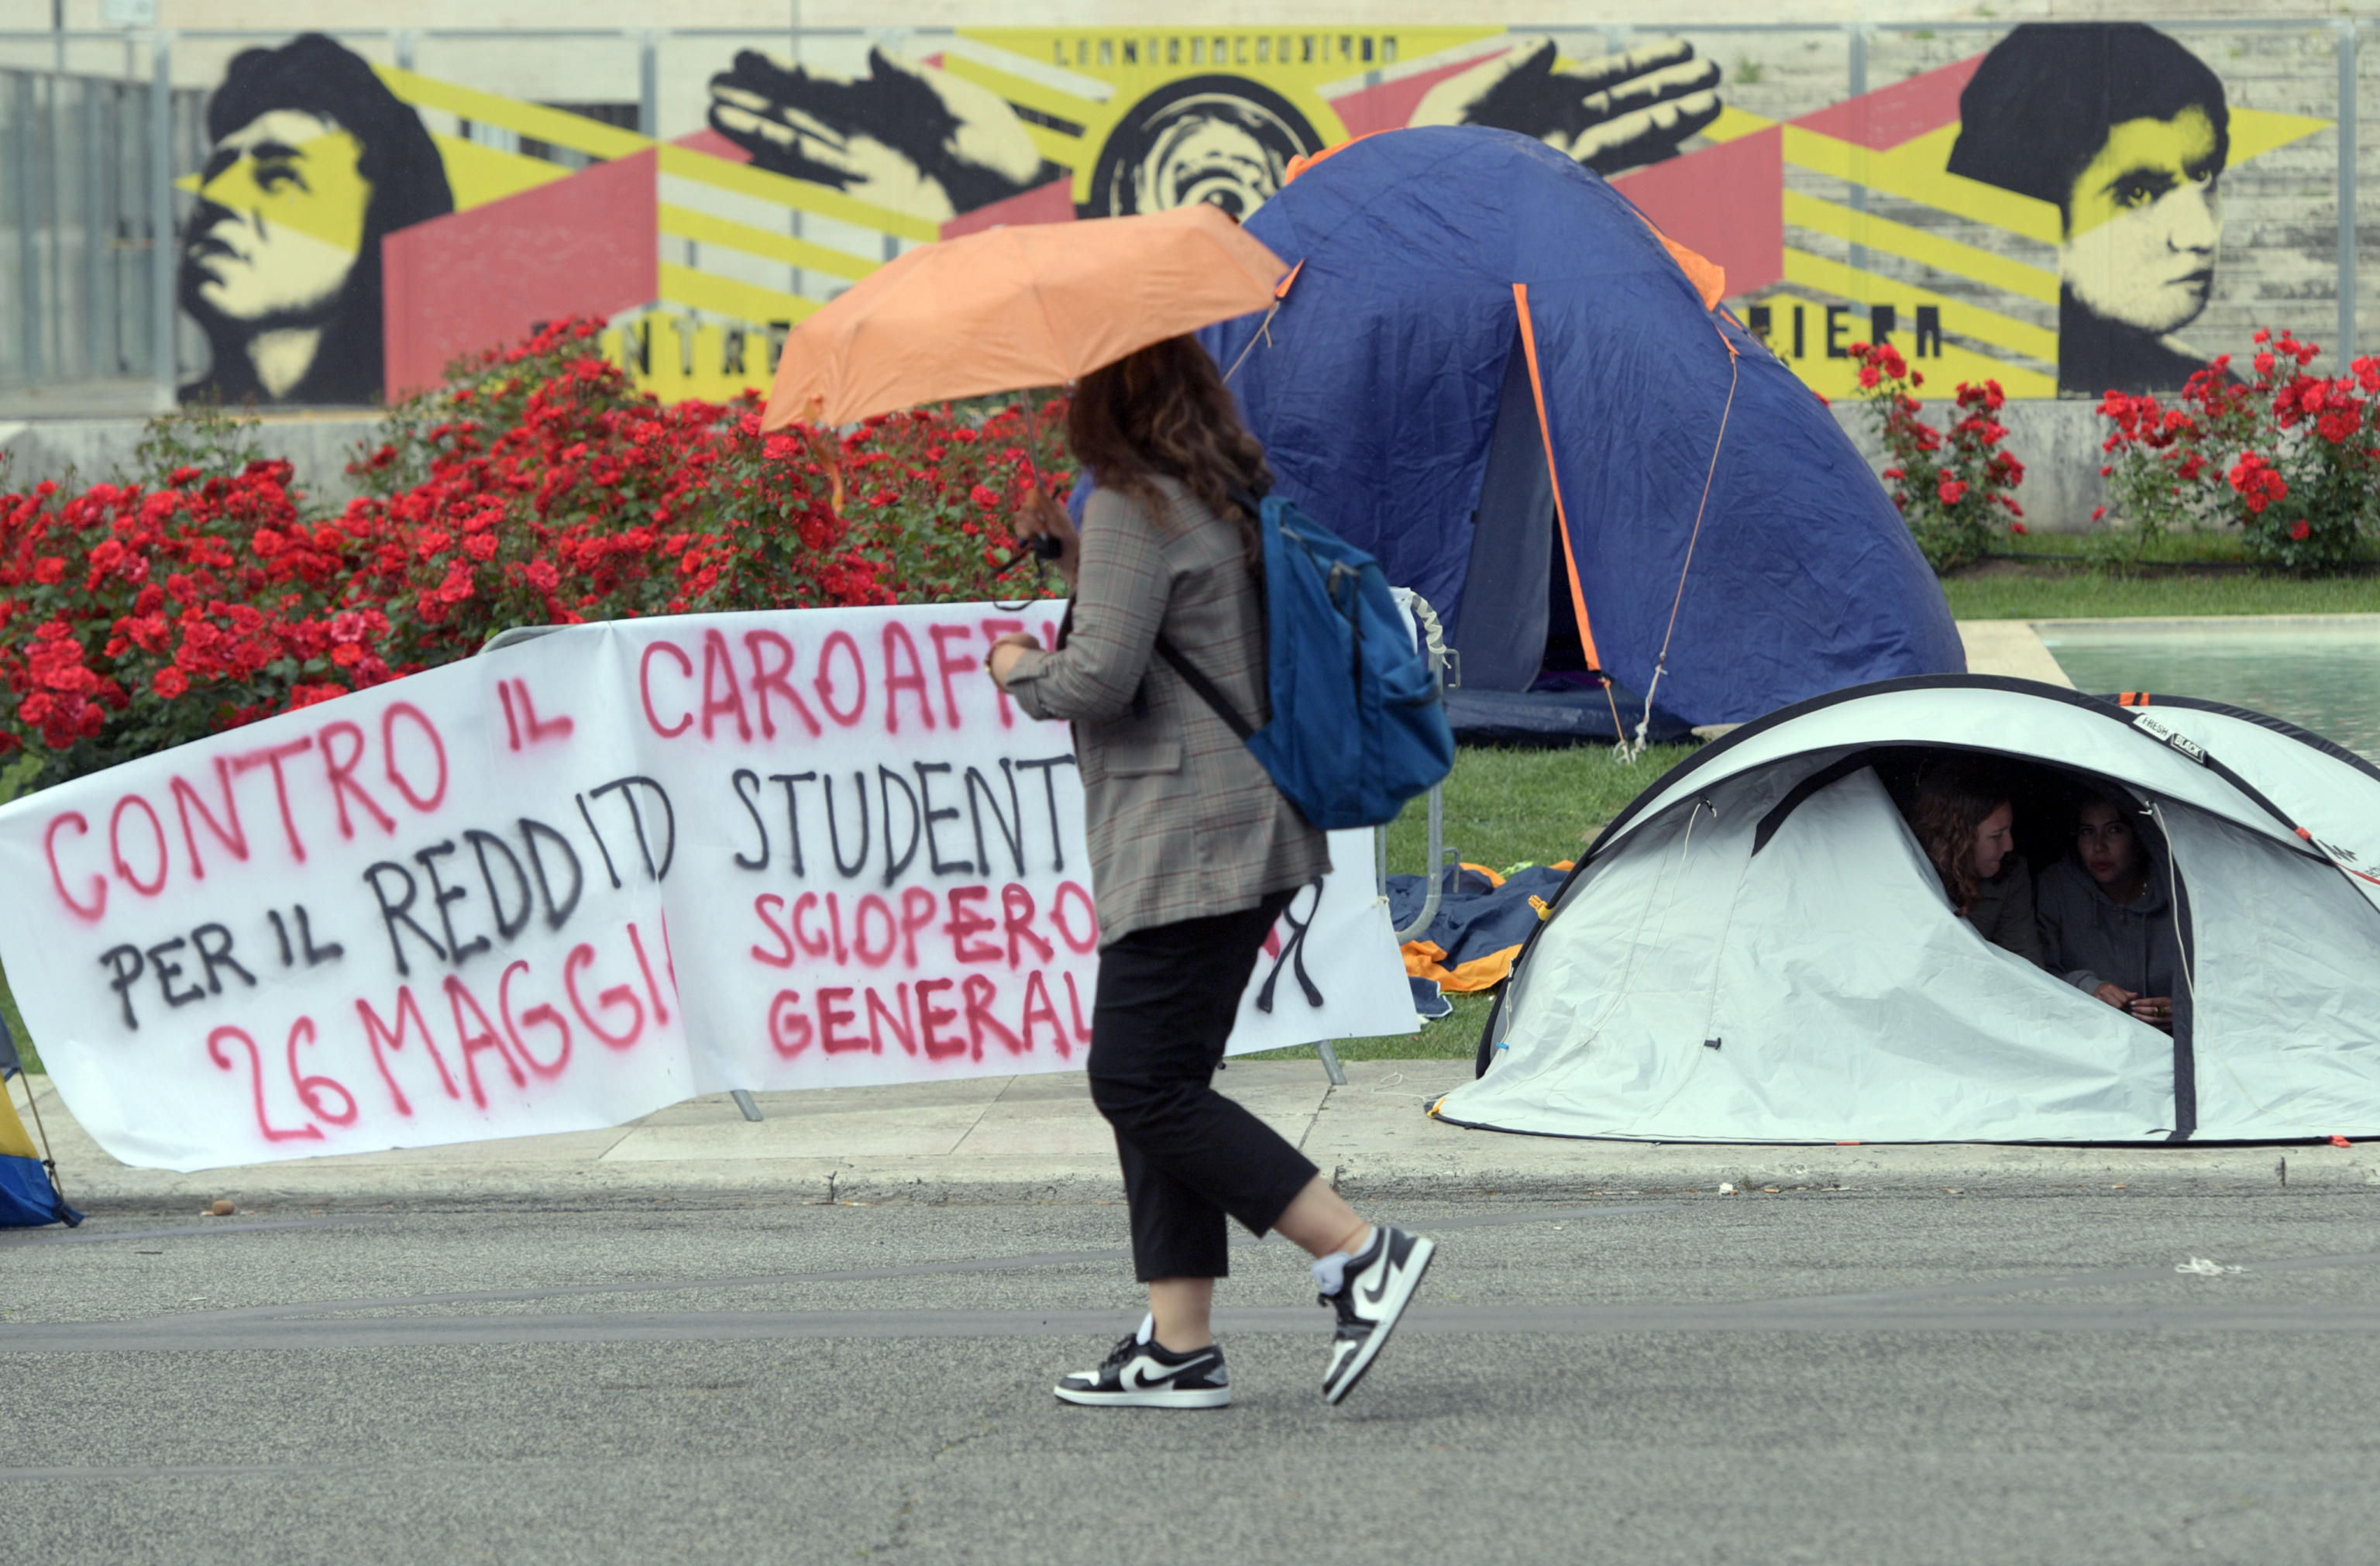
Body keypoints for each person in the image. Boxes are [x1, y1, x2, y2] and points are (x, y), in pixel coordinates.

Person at [983, 336, 1434, 1409]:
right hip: (1243, 820)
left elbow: (1099, 676)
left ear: (1107, 400)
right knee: (1160, 1083)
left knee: (1135, 1080)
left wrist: (1017, 670)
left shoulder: (1135, 502)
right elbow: (1168, 624)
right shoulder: (1209, 491)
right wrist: (1075, 560)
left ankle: (1354, 1250)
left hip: (1191, 831)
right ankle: (1179, 1345)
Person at [1947, 23, 2229, 396]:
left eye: (2203, 174)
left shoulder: (2211, 393)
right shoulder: (1976, 403)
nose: (2202, 233)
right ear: (2027, 213)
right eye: (2140, 193)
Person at [181, 33, 453, 405]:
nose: (220, 199)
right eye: (219, 174)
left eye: (278, 178)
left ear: (378, 216)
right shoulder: (189, 408)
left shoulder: (412, 401)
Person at [2036, 789, 2181, 1032]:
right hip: (2091, 1041)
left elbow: (2222, 980)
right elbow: (2036, 971)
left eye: (2114, 830)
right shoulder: (2057, 886)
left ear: (2138, 834)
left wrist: (2185, 1009)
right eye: (2087, 832)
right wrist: (2088, 987)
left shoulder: (2176, 888)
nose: (2099, 846)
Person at [1904, 757, 2043, 966]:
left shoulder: (2009, 873)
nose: (2009, 846)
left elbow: (2026, 964)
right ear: (1959, 839)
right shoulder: (1908, 869)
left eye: (2009, 831)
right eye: (1997, 836)